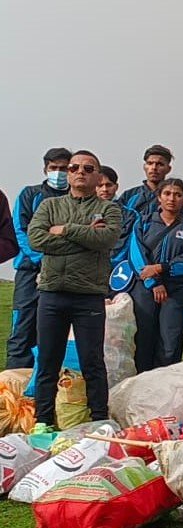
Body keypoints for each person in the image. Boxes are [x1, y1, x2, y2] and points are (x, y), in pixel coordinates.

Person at [26, 150, 122, 427]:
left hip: (88, 296)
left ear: (97, 176)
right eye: (74, 167)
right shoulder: (49, 206)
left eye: (88, 168)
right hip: (52, 293)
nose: (80, 172)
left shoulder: (109, 209)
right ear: (68, 173)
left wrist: (64, 230)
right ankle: (43, 419)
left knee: (92, 362)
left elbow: (106, 239)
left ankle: (99, 419)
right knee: (47, 360)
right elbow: (36, 239)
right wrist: (85, 234)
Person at [8, 147, 72, 369]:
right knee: (23, 328)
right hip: (30, 270)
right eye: (54, 168)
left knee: (55, 332)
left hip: (65, 273)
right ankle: (13, 385)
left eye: (64, 168)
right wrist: (41, 258)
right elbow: (20, 230)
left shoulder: (75, 198)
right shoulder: (30, 194)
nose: (59, 172)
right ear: (45, 169)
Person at [127, 178, 183, 371]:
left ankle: (166, 390)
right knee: (142, 340)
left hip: (177, 291)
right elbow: (136, 255)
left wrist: (162, 267)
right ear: (159, 197)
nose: (172, 199)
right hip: (145, 289)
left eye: (177, 195)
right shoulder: (143, 222)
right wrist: (153, 282)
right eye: (167, 194)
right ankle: (140, 385)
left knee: (170, 343)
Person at [122, 144, 174, 219]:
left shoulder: (173, 198)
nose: (154, 168)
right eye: (150, 163)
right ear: (144, 166)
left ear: (168, 169)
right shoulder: (129, 196)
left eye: (160, 164)